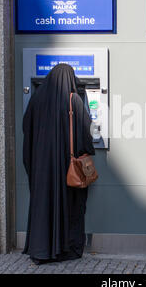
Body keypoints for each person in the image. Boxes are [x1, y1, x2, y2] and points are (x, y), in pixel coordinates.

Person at [22, 64, 95, 265]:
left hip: (41, 169)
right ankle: (65, 249)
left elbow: (25, 128)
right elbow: (87, 136)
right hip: (66, 170)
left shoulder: (36, 99)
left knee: (43, 206)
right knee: (69, 207)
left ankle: (40, 250)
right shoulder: (74, 101)